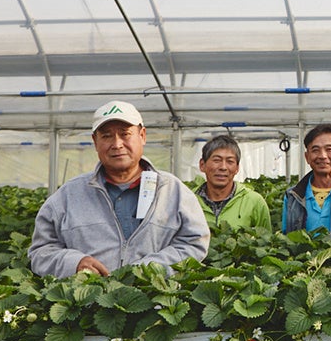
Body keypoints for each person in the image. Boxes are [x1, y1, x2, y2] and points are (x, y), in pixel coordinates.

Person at [29, 100, 210, 278]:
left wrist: (152, 269)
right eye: (107, 136)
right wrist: (74, 263)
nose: (117, 144)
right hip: (88, 303)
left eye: (125, 134)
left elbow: (194, 243)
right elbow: (41, 252)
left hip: (154, 302)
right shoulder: (68, 196)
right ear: (95, 141)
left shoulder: (173, 190)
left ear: (143, 136)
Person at [195, 134, 271, 231]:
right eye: (217, 160)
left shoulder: (255, 202)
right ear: (202, 165)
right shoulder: (187, 201)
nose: (223, 167)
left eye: (230, 161)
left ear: (237, 168)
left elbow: (265, 240)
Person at [282, 124, 331, 235]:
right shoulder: (293, 197)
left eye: (329, 149)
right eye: (315, 150)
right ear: (307, 157)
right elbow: (287, 238)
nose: (322, 156)